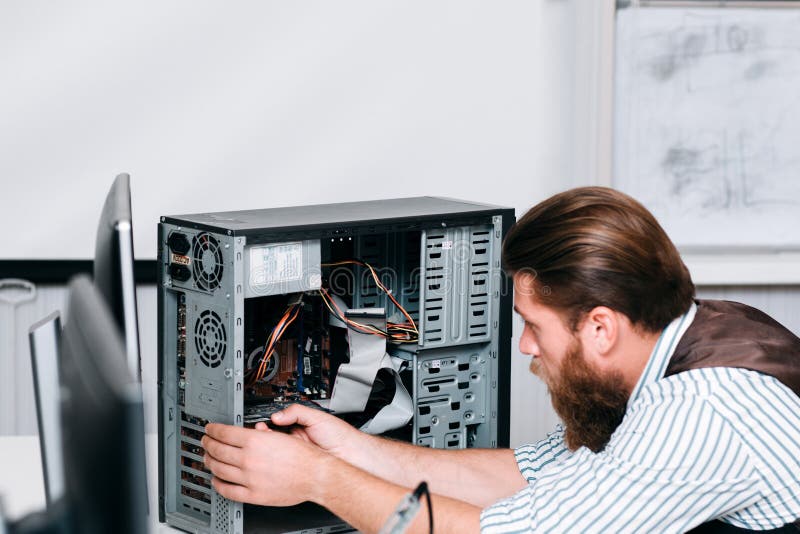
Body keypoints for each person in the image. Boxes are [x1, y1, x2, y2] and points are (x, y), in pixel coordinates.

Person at [201, 187, 800, 533]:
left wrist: (318, 480)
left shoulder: (698, 416)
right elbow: (526, 478)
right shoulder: (689, 330)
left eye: (534, 326)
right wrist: (350, 449)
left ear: (599, 327)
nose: (525, 348)